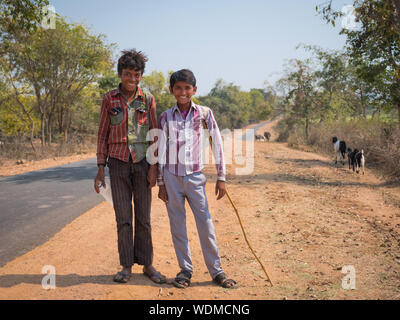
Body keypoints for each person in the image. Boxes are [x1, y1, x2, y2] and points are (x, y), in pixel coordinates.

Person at [157, 69, 237, 289]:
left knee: (205, 224)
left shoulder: (203, 113)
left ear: (194, 90)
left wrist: (222, 176)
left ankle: (217, 270)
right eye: (178, 88)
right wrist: (161, 183)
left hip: (195, 177)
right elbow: (160, 150)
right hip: (171, 178)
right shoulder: (165, 116)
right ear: (172, 90)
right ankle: (185, 270)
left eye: (187, 88)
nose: (183, 92)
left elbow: (217, 143)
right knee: (177, 225)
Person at [94, 49, 166, 284]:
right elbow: (102, 133)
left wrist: (154, 168)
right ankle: (126, 266)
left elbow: (155, 135)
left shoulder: (148, 99)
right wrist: (99, 168)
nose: (132, 79)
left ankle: (147, 264)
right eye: (127, 74)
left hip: (143, 163)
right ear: (119, 74)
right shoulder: (109, 99)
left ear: (141, 76)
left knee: (144, 218)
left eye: (136, 74)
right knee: (123, 217)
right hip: (117, 163)